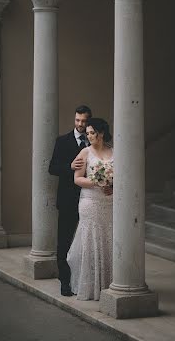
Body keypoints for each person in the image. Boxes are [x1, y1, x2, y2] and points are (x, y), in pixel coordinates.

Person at [67, 118, 113, 301]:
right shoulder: (84, 152)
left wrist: (112, 186)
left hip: (109, 202)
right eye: (87, 133)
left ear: (101, 133)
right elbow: (77, 179)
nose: (89, 136)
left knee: (109, 240)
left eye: (92, 133)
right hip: (90, 202)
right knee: (91, 240)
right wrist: (97, 181)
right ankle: (91, 286)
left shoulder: (114, 151)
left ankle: (110, 284)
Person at [48, 105, 92, 296]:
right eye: (77, 120)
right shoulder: (62, 141)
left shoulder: (93, 142)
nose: (80, 124)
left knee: (86, 243)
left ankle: (84, 281)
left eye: (83, 121)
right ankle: (64, 281)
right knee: (64, 243)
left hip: (89, 200)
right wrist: (70, 166)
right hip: (67, 200)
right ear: (74, 120)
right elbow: (52, 168)